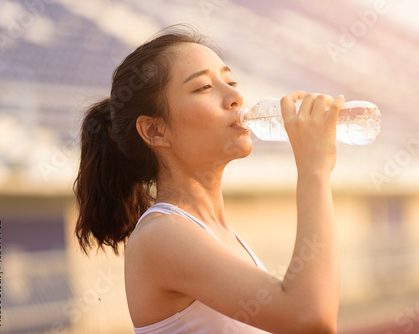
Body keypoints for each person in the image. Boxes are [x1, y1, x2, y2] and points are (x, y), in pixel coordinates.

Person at [74, 25, 344, 334]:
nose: (235, 97)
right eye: (204, 87)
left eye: (230, 81)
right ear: (154, 131)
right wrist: (314, 171)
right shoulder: (161, 235)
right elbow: (311, 317)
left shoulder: (218, 234)